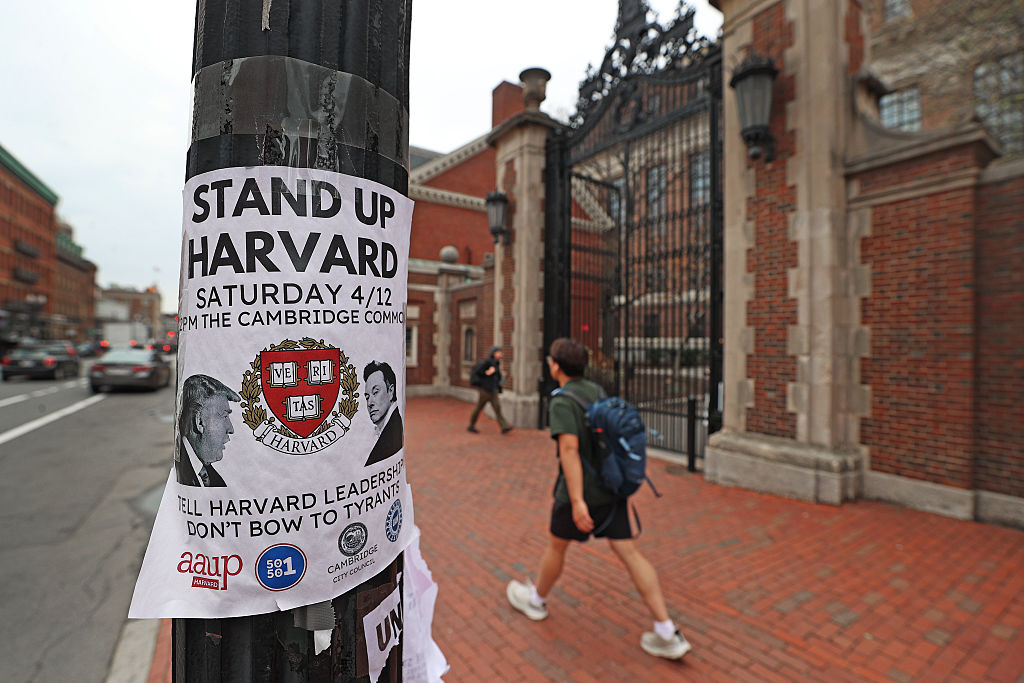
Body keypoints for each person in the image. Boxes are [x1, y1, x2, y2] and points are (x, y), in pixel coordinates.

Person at [505, 337, 691, 660]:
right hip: (611, 489)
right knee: (630, 554)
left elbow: (569, 450)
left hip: (579, 493)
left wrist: (577, 501)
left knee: (556, 547)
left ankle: (535, 601)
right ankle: (666, 630)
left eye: (550, 361)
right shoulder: (596, 390)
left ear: (556, 367)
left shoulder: (563, 402)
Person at [175, 374, 241, 487]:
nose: (231, 429)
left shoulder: (214, 478)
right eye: (224, 416)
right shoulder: (182, 470)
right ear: (199, 422)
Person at [363, 360, 403, 466]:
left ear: (391, 391)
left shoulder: (392, 431)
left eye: (375, 392)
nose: (370, 403)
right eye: (367, 397)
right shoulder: (389, 427)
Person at [467, 346, 511, 434]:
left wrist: (503, 377)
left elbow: (496, 377)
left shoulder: (496, 363)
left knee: (497, 408)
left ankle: (504, 427)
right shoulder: (487, 362)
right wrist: (487, 372)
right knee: (479, 408)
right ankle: (471, 426)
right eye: (499, 352)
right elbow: (478, 371)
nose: (501, 354)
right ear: (494, 353)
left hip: (493, 390)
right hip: (485, 390)